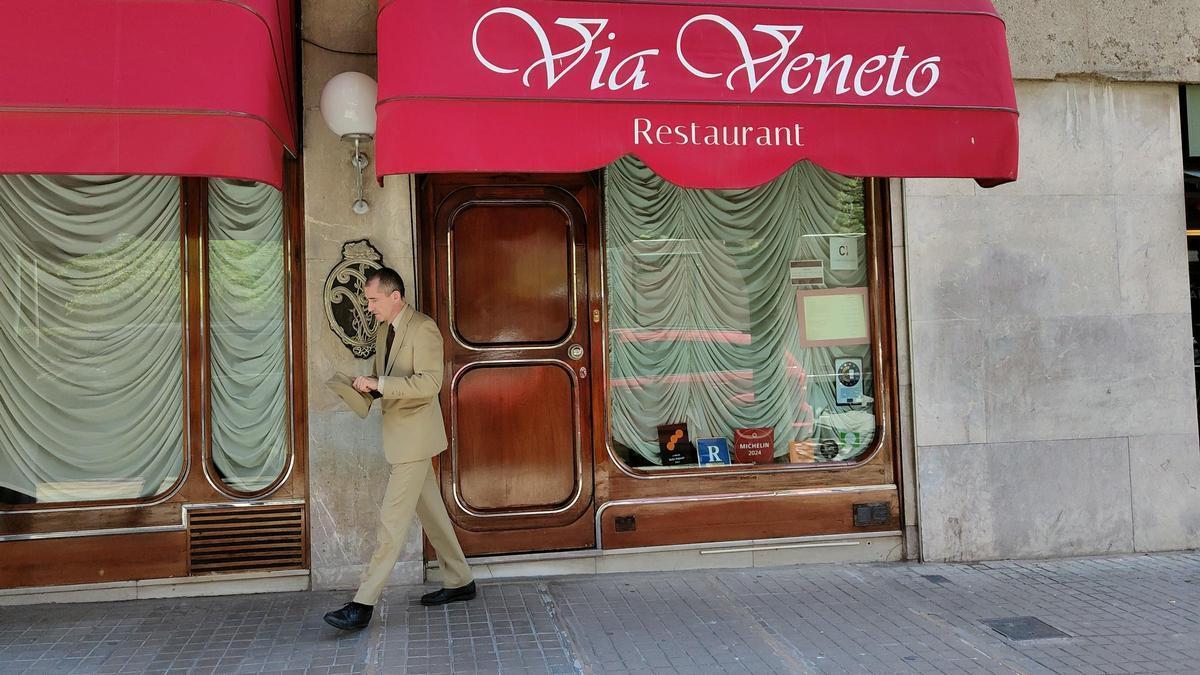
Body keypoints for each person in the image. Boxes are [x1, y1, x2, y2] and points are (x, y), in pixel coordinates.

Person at [323, 267, 475, 631]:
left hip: (415, 439)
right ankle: (460, 580)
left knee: (391, 523)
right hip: (401, 436)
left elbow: (430, 383)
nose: (369, 306)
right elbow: (385, 381)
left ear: (395, 296)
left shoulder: (423, 329)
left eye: (373, 300)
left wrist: (380, 383)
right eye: (367, 300)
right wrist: (363, 387)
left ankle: (363, 604)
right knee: (433, 514)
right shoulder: (383, 331)